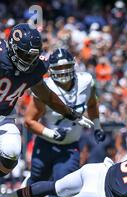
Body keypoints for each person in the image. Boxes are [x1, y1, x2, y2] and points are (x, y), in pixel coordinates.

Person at [24, 48, 106, 197]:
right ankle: (20, 189)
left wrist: (97, 126)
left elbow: (92, 104)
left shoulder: (86, 81)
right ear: (51, 70)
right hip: (45, 144)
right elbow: (29, 121)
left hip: (70, 145)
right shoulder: (44, 87)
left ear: (74, 66)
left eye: (67, 67)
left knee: (62, 185)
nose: (63, 72)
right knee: (37, 180)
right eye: (58, 68)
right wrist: (52, 134)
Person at [0, 23, 93, 178]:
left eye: (33, 56)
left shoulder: (35, 68)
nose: (30, 61)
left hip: (5, 116)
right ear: (12, 48)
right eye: (26, 55)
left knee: (11, 153)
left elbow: (46, 95)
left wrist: (71, 114)